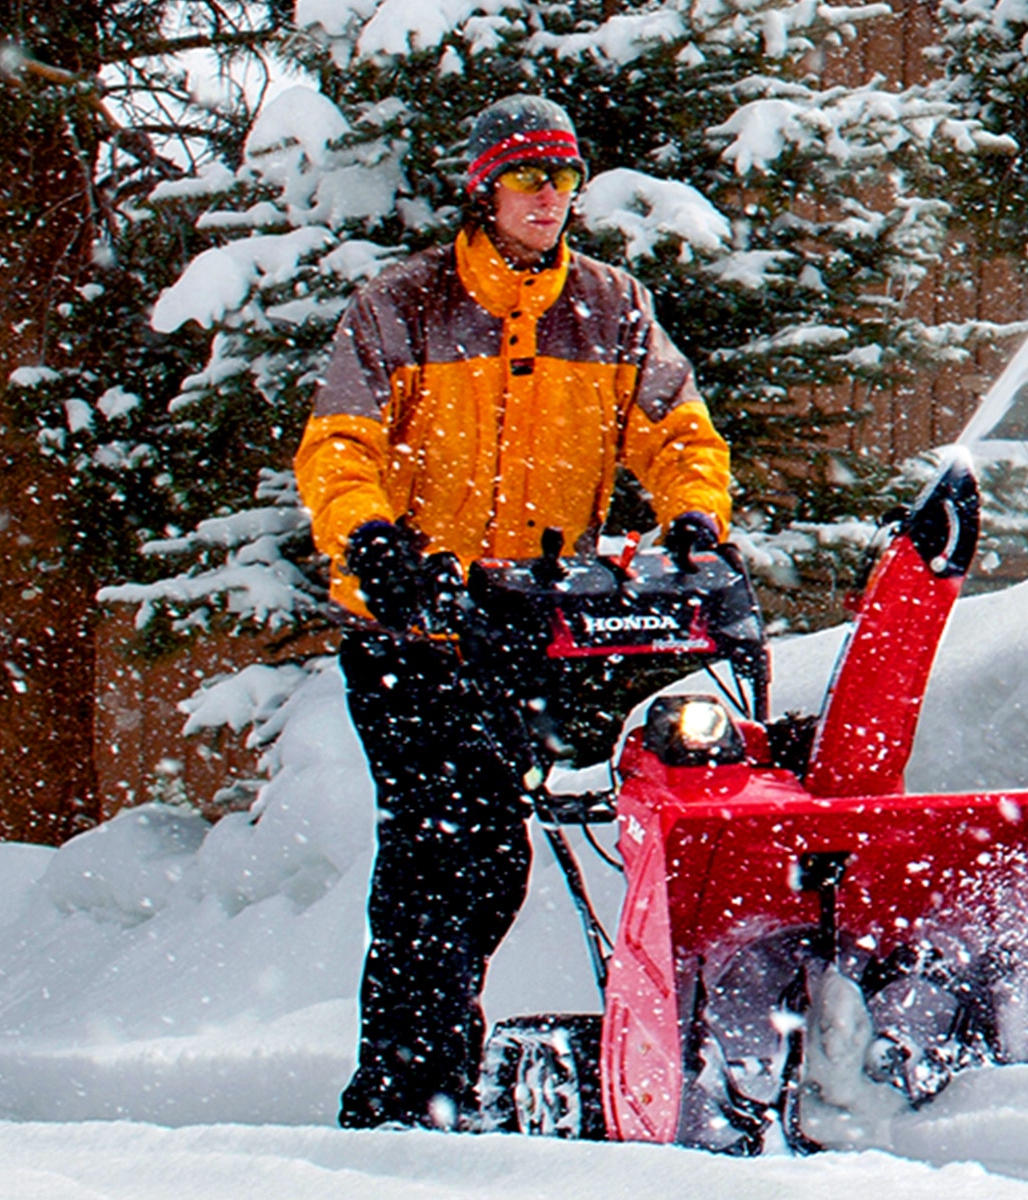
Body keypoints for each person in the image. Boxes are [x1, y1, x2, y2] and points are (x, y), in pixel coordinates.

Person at [296, 94, 738, 1130]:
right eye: (528, 177)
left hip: (530, 631)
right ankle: (409, 1098)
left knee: (488, 861)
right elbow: (338, 447)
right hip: (411, 632)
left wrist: (695, 526)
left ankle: (459, 1079)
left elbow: (680, 436)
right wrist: (370, 541)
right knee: (443, 856)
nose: (549, 196)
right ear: (482, 189)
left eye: (564, 177)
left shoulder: (610, 307)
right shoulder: (402, 307)